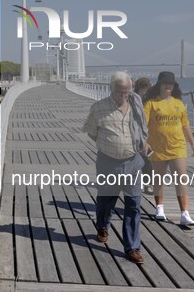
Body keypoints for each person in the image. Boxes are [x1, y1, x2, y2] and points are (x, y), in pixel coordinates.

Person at [83, 71, 148, 264]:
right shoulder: (98, 108)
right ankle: (102, 226)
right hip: (108, 163)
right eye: (120, 92)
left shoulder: (136, 105)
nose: (124, 96)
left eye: (127, 92)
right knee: (106, 201)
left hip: (133, 162)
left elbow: (143, 128)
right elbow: (91, 132)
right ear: (111, 88)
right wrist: (109, 145)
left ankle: (132, 247)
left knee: (133, 205)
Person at [143, 71, 194, 226]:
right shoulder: (151, 103)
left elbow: (185, 124)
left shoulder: (179, 103)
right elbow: (143, 125)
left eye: (171, 83)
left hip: (177, 146)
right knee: (158, 179)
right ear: (159, 85)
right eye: (165, 83)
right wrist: (144, 142)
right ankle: (159, 208)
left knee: (181, 178)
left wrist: (192, 143)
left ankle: (184, 213)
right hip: (157, 146)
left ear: (174, 86)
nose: (168, 86)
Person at [134, 77, 153, 195]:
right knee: (133, 159)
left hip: (148, 134)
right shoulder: (132, 98)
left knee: (148, 159)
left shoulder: (151, 99)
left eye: (146, 88)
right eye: (143, 88)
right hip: (135, 132)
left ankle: (148, 184)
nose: (145, 91)